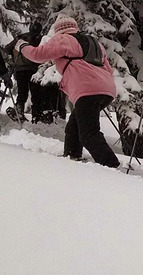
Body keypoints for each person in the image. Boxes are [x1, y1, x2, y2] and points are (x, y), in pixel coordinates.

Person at [15, 16, 120, 167]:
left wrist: (23, 46)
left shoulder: (63, 39)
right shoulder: (93, 42)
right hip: (106, 89)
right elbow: (108, 68)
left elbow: (38, 55)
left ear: (58, 30)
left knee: (89, 133)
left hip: (87, 90)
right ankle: (72, 155)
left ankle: (111, 165)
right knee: (75, 124)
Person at [7, 21, 43, 122]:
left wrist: (13, 57)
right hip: (35, 70)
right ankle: (37, 115)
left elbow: (7, 48)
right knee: (36, 94)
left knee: (22, 92)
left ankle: (19, 111)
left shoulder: (21, 38)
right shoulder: (41, 39)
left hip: (20, 70)